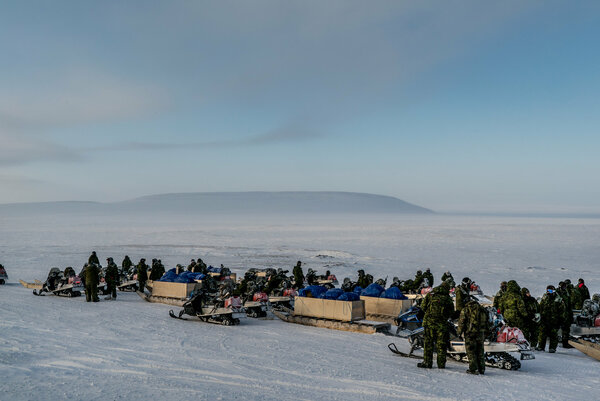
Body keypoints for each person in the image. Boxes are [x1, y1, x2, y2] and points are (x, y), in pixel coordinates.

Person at [417, 283, 454, 369]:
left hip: (429, 324)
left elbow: (423, 307)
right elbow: (451, 312)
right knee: (441, 345)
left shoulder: (430, 295)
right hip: (442, 325)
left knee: (428, 344)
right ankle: (441, 364)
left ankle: (427, 363)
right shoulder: (447, 298)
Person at [457, 296, 489, 375]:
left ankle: (473, 369)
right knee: (480, 351)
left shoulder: (466, 310)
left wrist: (459, 333)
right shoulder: (482, 310)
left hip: (470, 333)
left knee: (471, 351)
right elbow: (487, 323)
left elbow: (462, 322)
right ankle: (482, 369)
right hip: (481, 334)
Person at [537, 285, 565, 353]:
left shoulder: (558, 299)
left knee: (553, 335)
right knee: (542, 334)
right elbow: (540, 307)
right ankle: (541, 347)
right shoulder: (544, 298)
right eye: (548, 290)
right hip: (544, 319)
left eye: (550, 290)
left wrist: (561, 320)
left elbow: (562, 311)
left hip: (554, 320)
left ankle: (552, 348)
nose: (549, 292)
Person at [557, 281, 574, 349]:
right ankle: (554, 343)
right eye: (563, 286)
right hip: (558, 314)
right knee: (555, 329)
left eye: (565, 287)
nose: (564, 288)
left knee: (566, 330)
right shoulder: (556, 294)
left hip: (566, 315)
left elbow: (569, 305)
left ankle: (565, 343)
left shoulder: (566, 294)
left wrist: (570, 315)